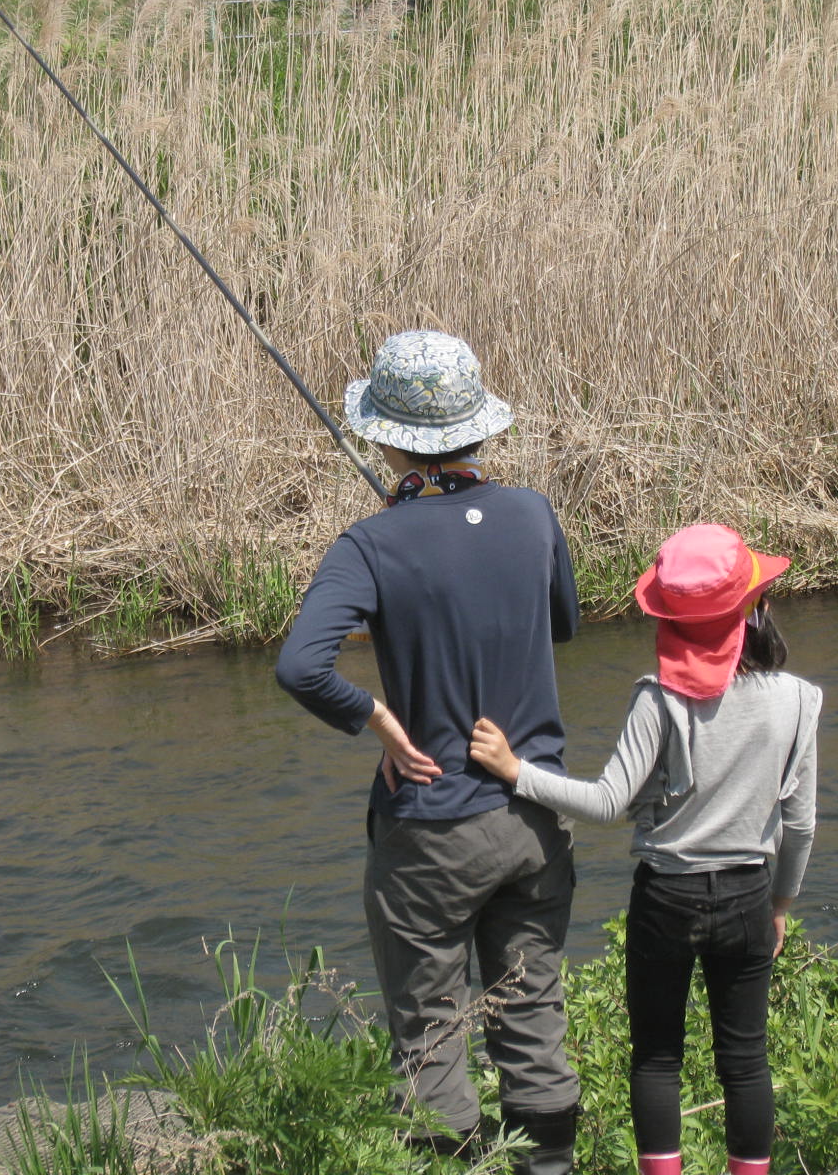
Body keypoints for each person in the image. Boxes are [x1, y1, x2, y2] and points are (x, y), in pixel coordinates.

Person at [275, 330, 583, 1174]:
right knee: (533, 1023)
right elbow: (562, 623)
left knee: (432, 1040)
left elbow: (300, 667)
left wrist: (376, 717)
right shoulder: (533, 514)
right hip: (533, 817)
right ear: (477, 428)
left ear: (385, 438)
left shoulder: (370, 544)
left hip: (430, 836)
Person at [469, 522, 820, 1175]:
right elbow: (799, 825)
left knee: (658, 1056)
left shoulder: (657, 699)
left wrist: (516, 771)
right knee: (745, 1059)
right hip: (748, 892)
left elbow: (607, 802)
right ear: (751, 607)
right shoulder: (798, 700)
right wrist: (779, 906)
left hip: (667, 897)